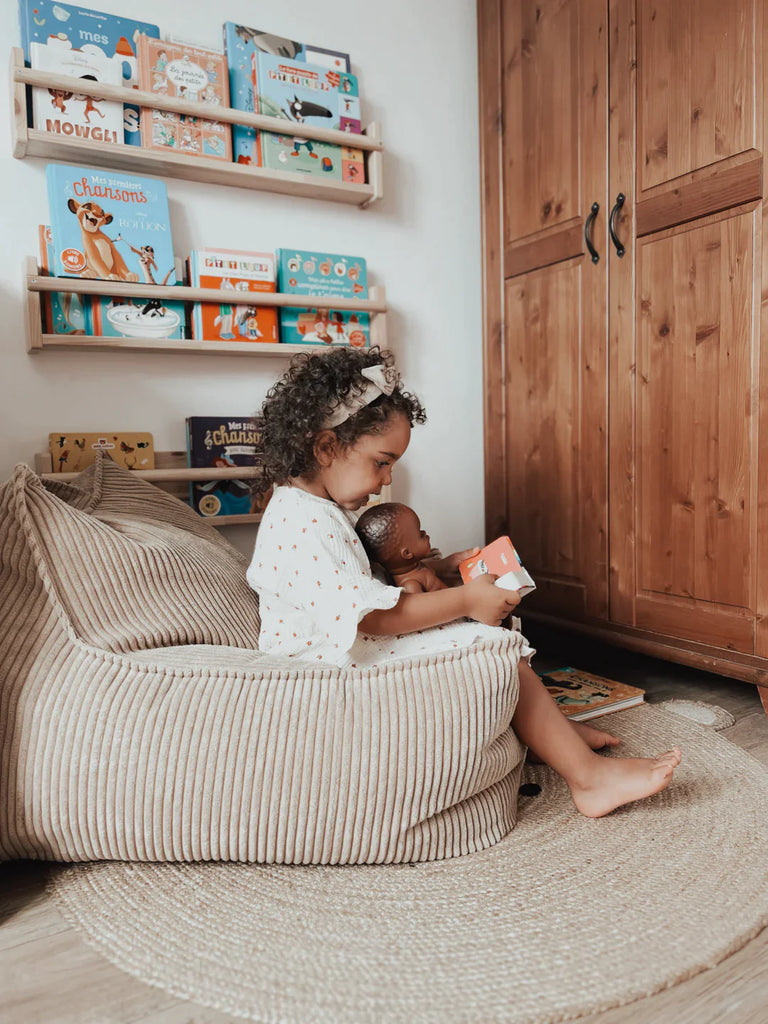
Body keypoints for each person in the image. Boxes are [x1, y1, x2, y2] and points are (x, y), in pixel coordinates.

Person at [247, 347, 681, 818]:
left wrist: (445, 574)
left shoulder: (316, 510)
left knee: (483, 631)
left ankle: (548, 734)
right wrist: (467, 600)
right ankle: (589, 779)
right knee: (484, 646)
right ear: (326, 448)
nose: (387, 479)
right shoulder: (302, 522)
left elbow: (368, 592)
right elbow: (375, 616)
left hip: (345, 648)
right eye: (382, 462)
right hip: (327, 674)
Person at [355, 501, 448, 593]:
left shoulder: (416, 568)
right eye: (420, 534)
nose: (424, 532)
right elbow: (428, 607)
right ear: (407, 553)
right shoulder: (411, 585)